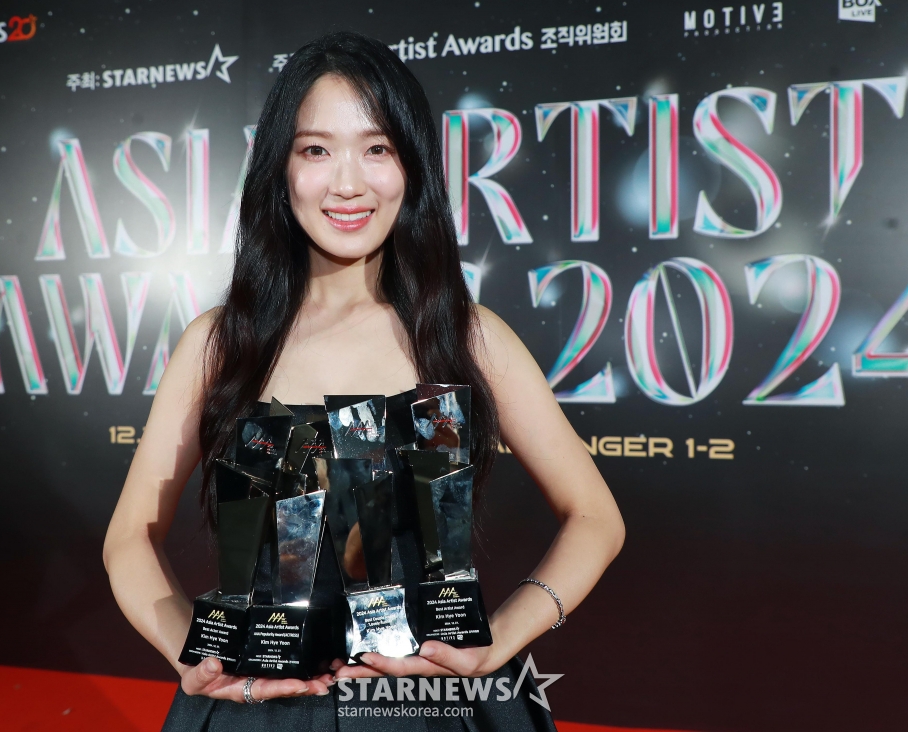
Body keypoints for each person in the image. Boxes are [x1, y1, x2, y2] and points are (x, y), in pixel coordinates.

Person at [103, 31, 624, 730]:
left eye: (376, 149)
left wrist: (500, 640)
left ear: (412, 165)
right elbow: (129, 538)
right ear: (281, 168)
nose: (347, 183)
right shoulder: (218, 344)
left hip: (429, 705)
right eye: (317, 150)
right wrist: (187, 655)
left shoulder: (467, 335)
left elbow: (596, 518)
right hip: (262, 707)